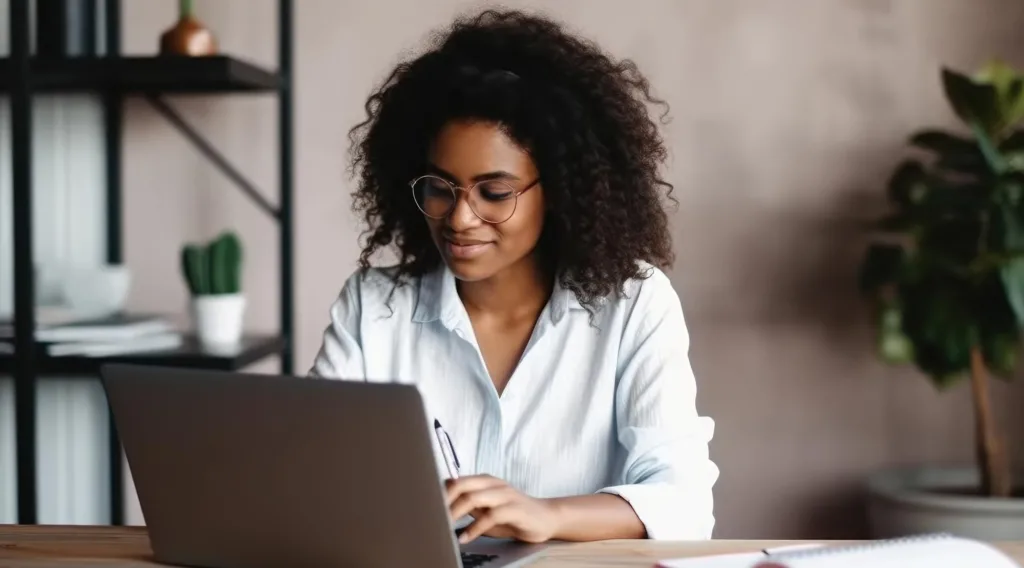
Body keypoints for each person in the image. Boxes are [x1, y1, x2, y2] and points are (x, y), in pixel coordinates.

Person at [309, 8, 718, 544]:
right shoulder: (373, 306)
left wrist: (548, 516)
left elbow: (685, 504)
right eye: (439, 187)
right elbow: (314, 480)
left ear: (560, 192)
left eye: (494, 193)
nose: (459, 217)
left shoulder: (633, 304)